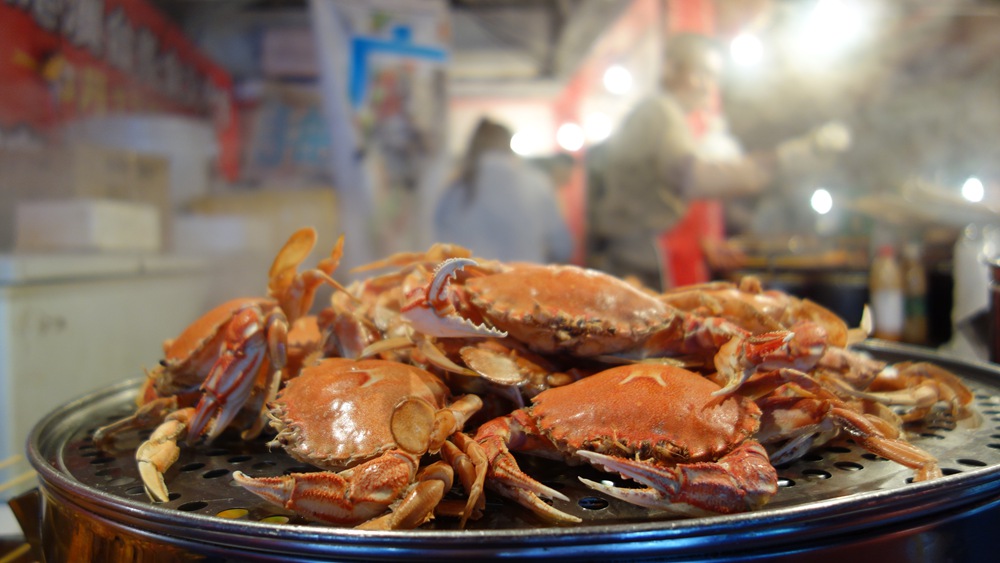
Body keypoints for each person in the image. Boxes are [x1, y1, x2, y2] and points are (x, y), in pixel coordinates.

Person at [588, 33, 849, 290]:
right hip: (634, 261)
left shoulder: (660, 114)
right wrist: (784, 160)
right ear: (670, 68)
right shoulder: (661, 111)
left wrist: (702, 240)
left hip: (636, 254)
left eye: (712, 76)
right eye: (700, 72)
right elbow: (693, 178)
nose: (707, 85)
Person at [433, 117, 574, 264]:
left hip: (470, 277)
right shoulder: (537, 183)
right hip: (524, 276)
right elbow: (562, 247)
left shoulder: (454, 191)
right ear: (508, 144)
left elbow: (439, 246)